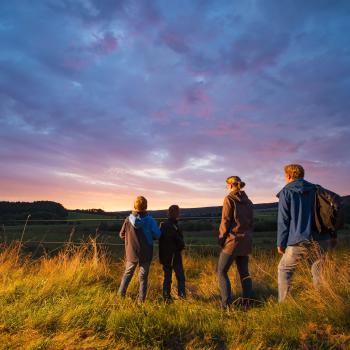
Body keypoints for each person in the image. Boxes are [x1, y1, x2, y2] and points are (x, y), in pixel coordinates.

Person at [277, 164, 332, 302]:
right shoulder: (316, 189)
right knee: (317, 269)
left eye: (285, 175)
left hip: (298, 239)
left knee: (284, 269)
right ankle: (321, 301)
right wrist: (333, 235)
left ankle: (284, 304)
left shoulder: (286, 191)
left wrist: (281, 243)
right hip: (322, 238)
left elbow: (283, 220)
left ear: (289, 175)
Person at [218, 176, 254, 309]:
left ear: (231, 185)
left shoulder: (229, 199)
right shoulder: (249, 201)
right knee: (244, 272)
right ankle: (247, 303)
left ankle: (225, 305)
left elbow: (225, 221)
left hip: (232, 241)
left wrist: (221, 239)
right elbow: (251, 222)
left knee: (221, 271)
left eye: (227, 185)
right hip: (245, 240)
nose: (227, 187)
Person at [118, 196, 161, 302]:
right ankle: (141, 301)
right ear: (146, 206)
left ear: (134, 205)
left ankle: (120, 296)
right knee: (143, 277)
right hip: (146, 252)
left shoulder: (128, 219)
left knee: (127, 274)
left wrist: (130, 239)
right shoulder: (150, 220)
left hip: (131, 251)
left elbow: (121, 235)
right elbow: (157, 235)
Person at [159, 205, 186, 302]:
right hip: (175, 256)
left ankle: (166, 297)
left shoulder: (162, 225)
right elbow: (179, 241)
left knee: (167, 277)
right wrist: (182, 246)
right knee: (181, 277)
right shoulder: (175, 226)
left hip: (164, 256)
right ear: (177, 214)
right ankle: (182, 297)